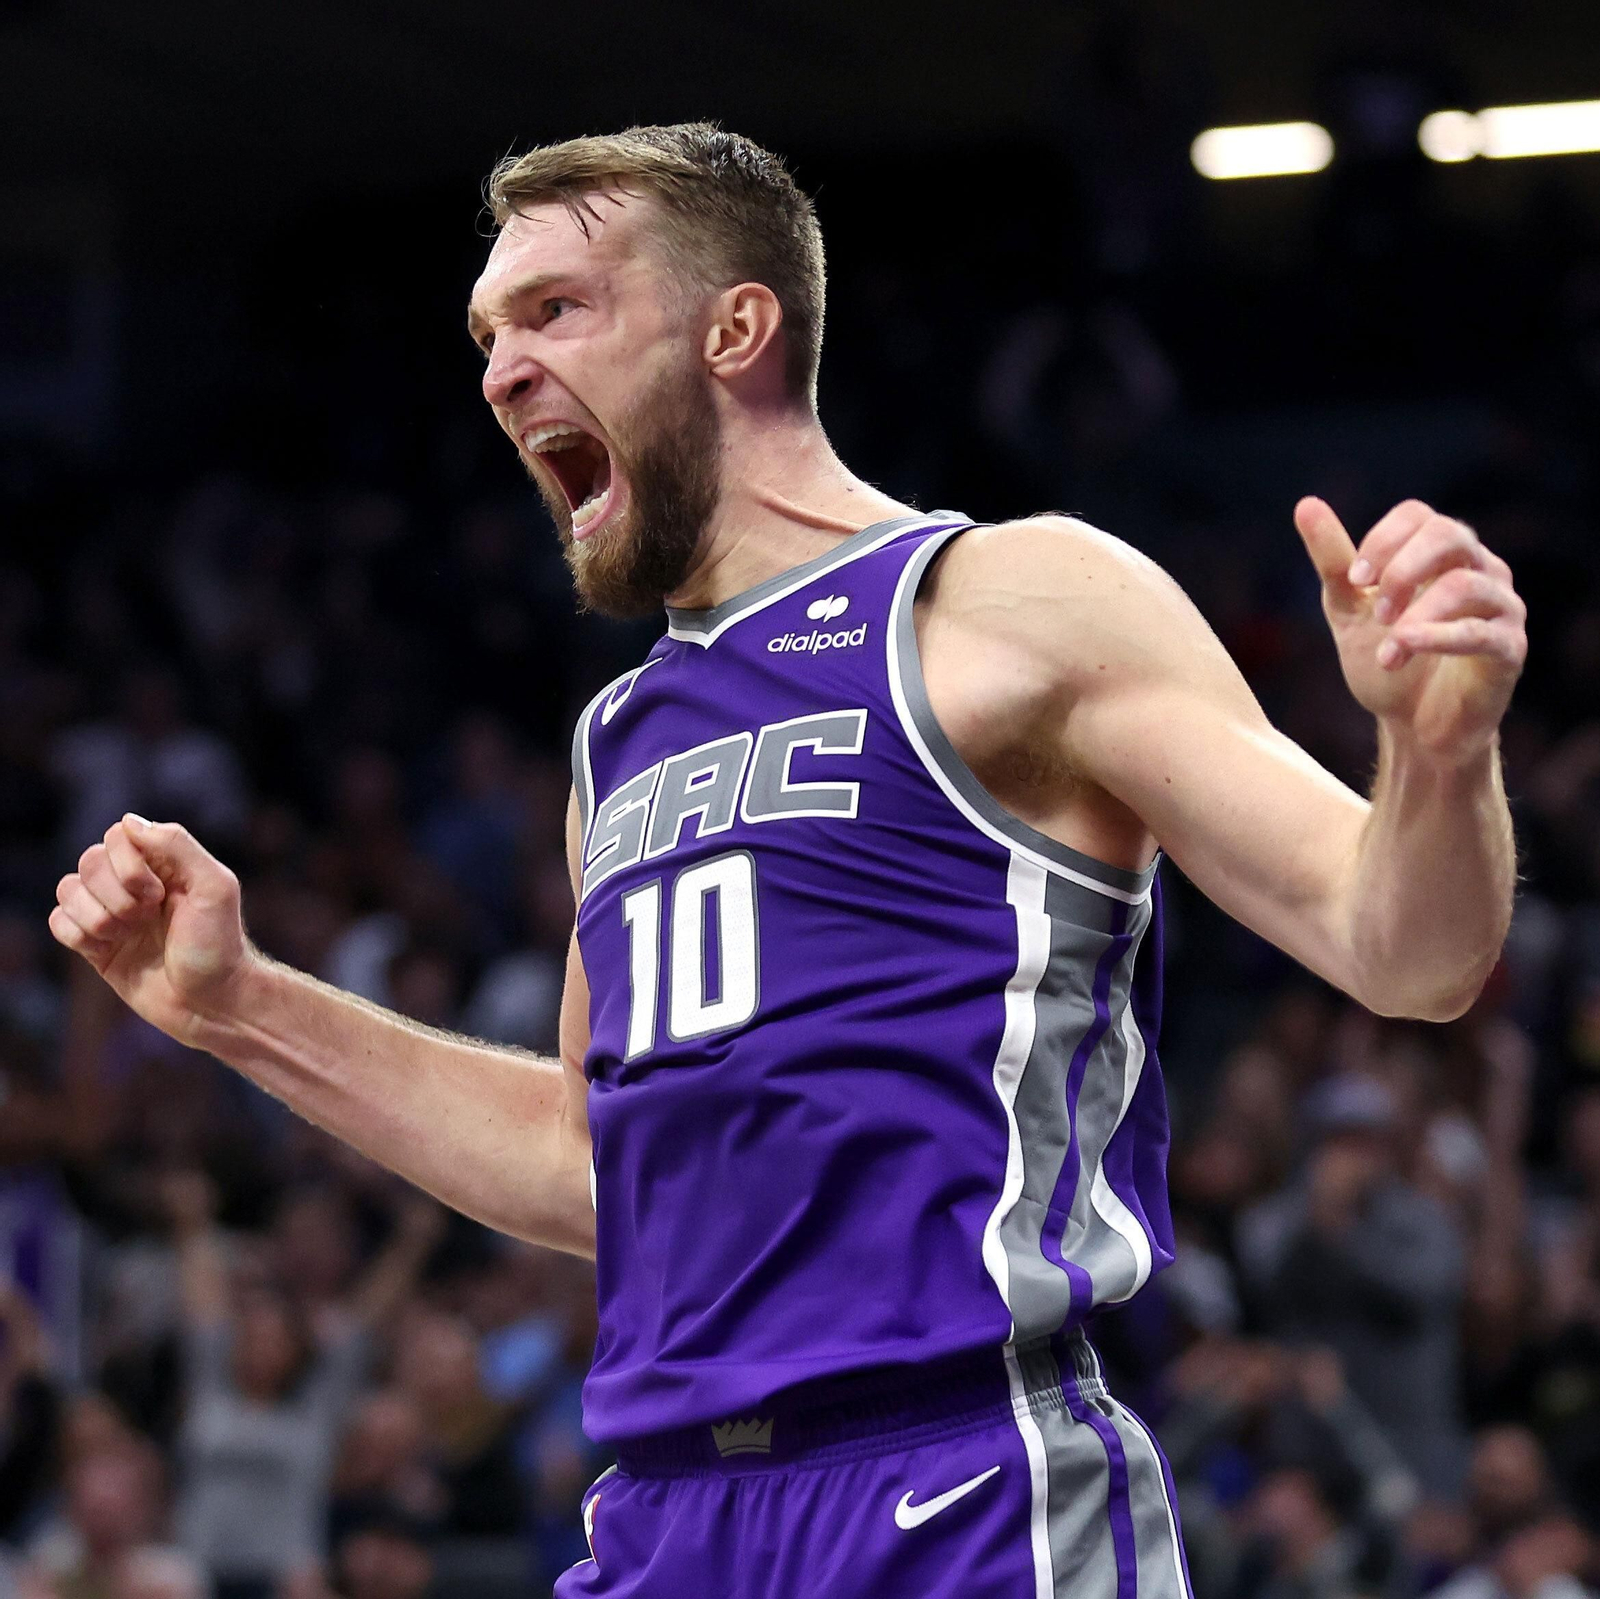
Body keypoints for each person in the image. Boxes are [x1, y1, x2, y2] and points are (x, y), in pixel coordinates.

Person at [47, 124, 1526, 1598]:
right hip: (667, 1518)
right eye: (489, 336)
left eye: (556, 310)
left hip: (963, 1488)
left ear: (735, 330)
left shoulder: (1010, 600)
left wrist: (1439, 754)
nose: (501, 373)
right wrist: (237, 1005)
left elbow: (1407, 951)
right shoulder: (618, 738)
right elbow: (590, 1164)